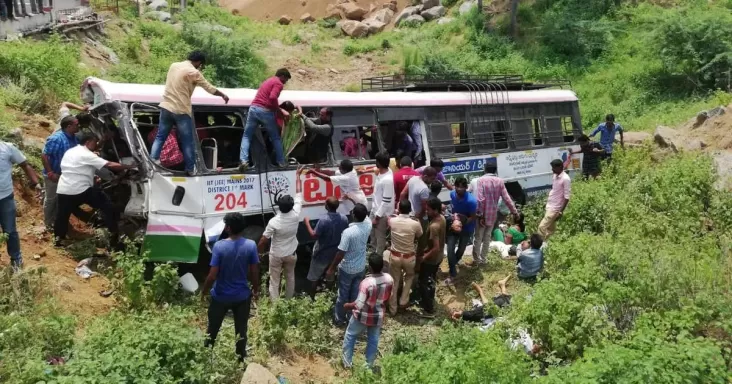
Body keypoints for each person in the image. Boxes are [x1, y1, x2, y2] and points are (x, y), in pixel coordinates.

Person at [151, 51, 229, 176]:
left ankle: (153, 161)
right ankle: (190, 169)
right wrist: (222, 95)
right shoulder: (194, 72)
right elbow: (209, 88)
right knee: (188, 140)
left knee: (160, 136)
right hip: (181, 110)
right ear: (198, 62)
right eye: (201, 64)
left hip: (166, 107)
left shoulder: (173, 65)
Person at [54, 133, 136, 248]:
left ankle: (58, 239)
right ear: (88, 142)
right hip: (81, 189)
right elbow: (109, 164)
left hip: (63, 188)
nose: (96, 144)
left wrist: (102, 141)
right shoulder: (87, 155)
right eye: (94, 142)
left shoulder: (71, 151)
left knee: (62, 215)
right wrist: (130, 166)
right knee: (106, 205)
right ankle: (114, 234)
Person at [201, 212, 260, 362]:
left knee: (212, 328)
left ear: (228, 228)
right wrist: (256, 289)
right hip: (241, 296)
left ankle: (206, 357)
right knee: (241, 330)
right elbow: (254, 271)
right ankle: (240, 359)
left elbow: (212, 275)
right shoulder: (251, 245)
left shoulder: (219, 247)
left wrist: (204, 291)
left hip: (220, 296)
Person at [341, 252, 393, 369]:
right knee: (373, 340)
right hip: (378, 316)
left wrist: (347, 305)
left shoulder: (367, 283)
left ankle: (347, 363)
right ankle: (368, 365)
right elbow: (388, 298)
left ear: (369, 267)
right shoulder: (389, 279)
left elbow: (358, 305)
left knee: (350, 335)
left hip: (362, 316)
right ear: (382, 266)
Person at [327, 203, 372, 326]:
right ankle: (352, 317)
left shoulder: (348, 232)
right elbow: (366, 216)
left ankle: (339, 319)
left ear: (353, 215)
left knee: (343, 295)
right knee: (355, 294)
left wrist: (331, 268)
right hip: (360, 267)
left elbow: (341, 253)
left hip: (347, 268)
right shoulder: (368, 225)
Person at [0, 140, 41, 272]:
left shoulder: (7, 147)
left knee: (10, 231)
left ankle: (16, 261)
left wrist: (36, 183)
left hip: (5, 198)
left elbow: (25, 165)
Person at [239, 68, 292, 171]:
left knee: (247, 136)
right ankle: (281, 161)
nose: (285, 83)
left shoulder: (268, 81)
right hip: (265, 111)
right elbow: (272, 98)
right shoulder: (278, 83)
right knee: (275, 138)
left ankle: (244, 161)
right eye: (286, 79)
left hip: (253, 109)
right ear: (282, 76)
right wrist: (279, 110)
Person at [258, 191, 302, 300]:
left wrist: (259, 253)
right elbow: (299, 197)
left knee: (274, 281)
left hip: (276, 255)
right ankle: (288, 300)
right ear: (292, 206)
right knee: (290, 277)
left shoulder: (274, 222)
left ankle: (275, 307)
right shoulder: (296, 215)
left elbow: (263, 240)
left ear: (279, 207)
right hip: (291, 254)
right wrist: (297, 177)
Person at [303, 197, 349, 300]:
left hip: (321, 253)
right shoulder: (344, 218)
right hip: (336, 253)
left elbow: (314, 235)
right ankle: (329, 296)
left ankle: (312, 297)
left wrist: (307, 223)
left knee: (314, 276)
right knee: (331, 273)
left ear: (326, 206)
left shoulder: (323, 220)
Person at [473, 163, 518, 265]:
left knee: (478, 237)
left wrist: (480, 215)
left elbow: (480, 199)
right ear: (495, 170)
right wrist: (514, 212)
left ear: (485, 169)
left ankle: (476, 260)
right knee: (487, 237)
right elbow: (507, 199)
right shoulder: (500, 181)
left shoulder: (481, 180)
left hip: (483, 215)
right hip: (493, 214)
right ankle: (483, 260)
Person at [41, 115, 81, 230]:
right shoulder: (57, 138)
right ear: (69, 126)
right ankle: (48, 223)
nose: (79, 126)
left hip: (65, 176)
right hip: (53, 175)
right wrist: (50, 173)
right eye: (76, 124)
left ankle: (57, 220)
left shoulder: (74, 138)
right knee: (51, 199)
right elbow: (44, 155)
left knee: (60, 199)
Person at [386, 199, 422, 315]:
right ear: (410, 210)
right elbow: (420, 235)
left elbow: (389, 221)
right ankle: (403, 301)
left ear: (399, 209)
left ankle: (393, 309)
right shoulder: (415, 223)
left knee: (394, 281)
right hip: (409, 257)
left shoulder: (392, 221)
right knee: (409, 277)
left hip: (395, 256)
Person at [444, 177, 477, 285]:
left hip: (466, 228)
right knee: (450, 250)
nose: (459, 189)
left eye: (461, 187)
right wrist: (454, 221)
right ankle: (452, 273)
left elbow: (473, 217)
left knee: (461, 250)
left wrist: (462, 223)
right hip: (453, 226)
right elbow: (452, 209)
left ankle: (453, 263)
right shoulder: (452, 194)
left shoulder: (471, 201)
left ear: (466, 188)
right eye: (457, 186)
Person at [418, 197, 446, 314]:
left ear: (435, 210)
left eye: (428, 210)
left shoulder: (434, 226)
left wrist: (423, 257)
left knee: (423, 281)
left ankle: (428, 307)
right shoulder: (442, 218)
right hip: (439, 257)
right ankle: (430, 299)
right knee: (432, 278)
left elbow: (435, 248)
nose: (426, 211)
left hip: (432, 259)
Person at [538, 159, 571, 240]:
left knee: (541, 227)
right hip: (550, 205)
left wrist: (560, 211)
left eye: (553, 167)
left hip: (555, 208)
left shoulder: (565, 179)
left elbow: (567, 197)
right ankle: (548, 244)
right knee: (550, 229)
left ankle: (538, 247)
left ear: (560, 167)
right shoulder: (555, 176)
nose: (552, 169)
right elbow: (555, 190)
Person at [370, 152, 394, 256]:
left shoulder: (387, 180)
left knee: (380, 240)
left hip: (381, 215)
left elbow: (386, 201)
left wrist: (377, 217)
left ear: (379, 163)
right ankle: (373, 257)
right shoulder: (385, 172)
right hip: (374, 210)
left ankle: (378, 260)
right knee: (372, 237)